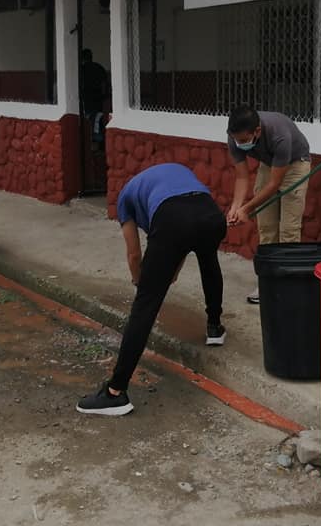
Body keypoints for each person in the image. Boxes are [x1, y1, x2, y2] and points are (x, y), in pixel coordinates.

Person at [77, 163, 227, 416]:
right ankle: (214, 327)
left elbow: (134, 254)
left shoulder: (125, 198)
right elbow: (184, 238)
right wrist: (170, 272)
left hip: (173, 221)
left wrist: (141, 282)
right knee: (208, 260)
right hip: (211, 215)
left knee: (145, 306)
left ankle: (115, 392)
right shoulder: (174, 173)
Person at [225, 106, 311, 304]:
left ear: (257, 131)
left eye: (244, 140)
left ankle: (287, 285)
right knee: (266, 227)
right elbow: (241, 176)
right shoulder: (234, 136)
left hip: (296, 163)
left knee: (289, 230)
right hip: (269, 162)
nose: (240, 144)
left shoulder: (279, 135)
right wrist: (236, 207)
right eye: (237, 140)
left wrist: (247, 209)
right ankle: (267, 282)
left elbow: (274, 184)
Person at [80, 48, 109, 149]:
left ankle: (89, 145)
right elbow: (105, 84)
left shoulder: (81, 69)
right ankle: (98, 145)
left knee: (88, 122)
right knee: (97, 122)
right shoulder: (99, 68)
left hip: (86, 100)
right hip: (98, 100)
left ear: (82, 58)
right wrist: (104, 96)